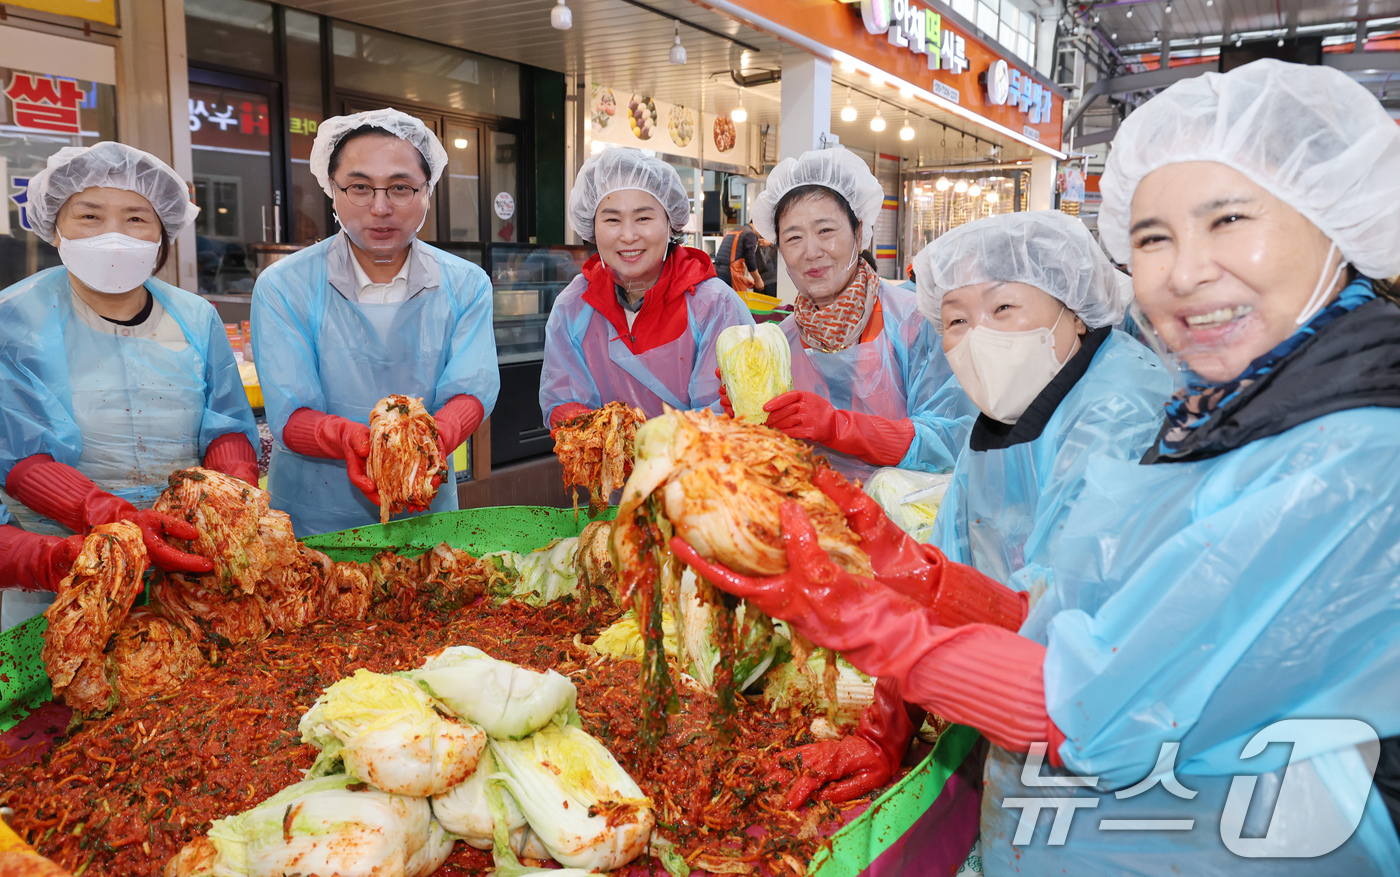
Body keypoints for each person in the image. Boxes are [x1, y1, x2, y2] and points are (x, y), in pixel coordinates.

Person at [675, 59, 1400, 874]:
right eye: (1153, 238)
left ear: (1334, 218)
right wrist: (914, 575)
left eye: (1228, 219)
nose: (1185, 270)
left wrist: (869, 623)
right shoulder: (1231, 413)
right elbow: (1067, 617)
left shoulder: (1347, 463)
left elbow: (1085, 709)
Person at [0, 142, 259, 627]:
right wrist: (114, 519)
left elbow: (223, 422)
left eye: (136, 218)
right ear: (55, 226)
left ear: (163, 232)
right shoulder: (15, 320)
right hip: (68, 566)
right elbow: (20, 457)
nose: (113, 235)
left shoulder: (194, 316)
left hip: (190, 561)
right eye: (90, 216)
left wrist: (231, 501)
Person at [252, 109, 498, 536]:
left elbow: (472, 389)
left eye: (401, 188)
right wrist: (352, 440)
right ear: (332, 189)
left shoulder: (466, 284)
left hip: (425, 508)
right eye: (360, 188)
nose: (380, 208)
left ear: (427, 191)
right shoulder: (284, 285)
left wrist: (430, 441)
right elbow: (289, 412)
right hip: (313, 520)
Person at [916, 211, 1171, 584]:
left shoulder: (1121, 409)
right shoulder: (1011, 409)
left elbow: (1074, 582)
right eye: (957, 321)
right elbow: (951, 548)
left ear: (1075, 312)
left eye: (1002, 308)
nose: (979, 337)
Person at [735, 148, 976, 481]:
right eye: (793, 238)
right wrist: (750, 414)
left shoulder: (915, 323)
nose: (811, 252)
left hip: (903, 510)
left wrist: (840, 427)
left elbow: (949, 439)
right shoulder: (781, 343)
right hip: (812, 509)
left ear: (859, 232)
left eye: (826, 231)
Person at [539, 148, 753, 427]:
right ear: (592, 227)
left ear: (670, 224)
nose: (628, 235)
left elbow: (726, 419)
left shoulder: (715, 307)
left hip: (697, 456)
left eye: (643, 218)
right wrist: (573, 418)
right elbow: (561, 395)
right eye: (612, 219)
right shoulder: (574, 307)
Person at [714, 219, 765, 294]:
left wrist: (743, 278)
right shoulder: (750, 234)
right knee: (736, 300)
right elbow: (750, 260)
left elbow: (726, 260)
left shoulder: (732, 231)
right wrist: (758, 280)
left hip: (718, 273)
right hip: (731, 276)